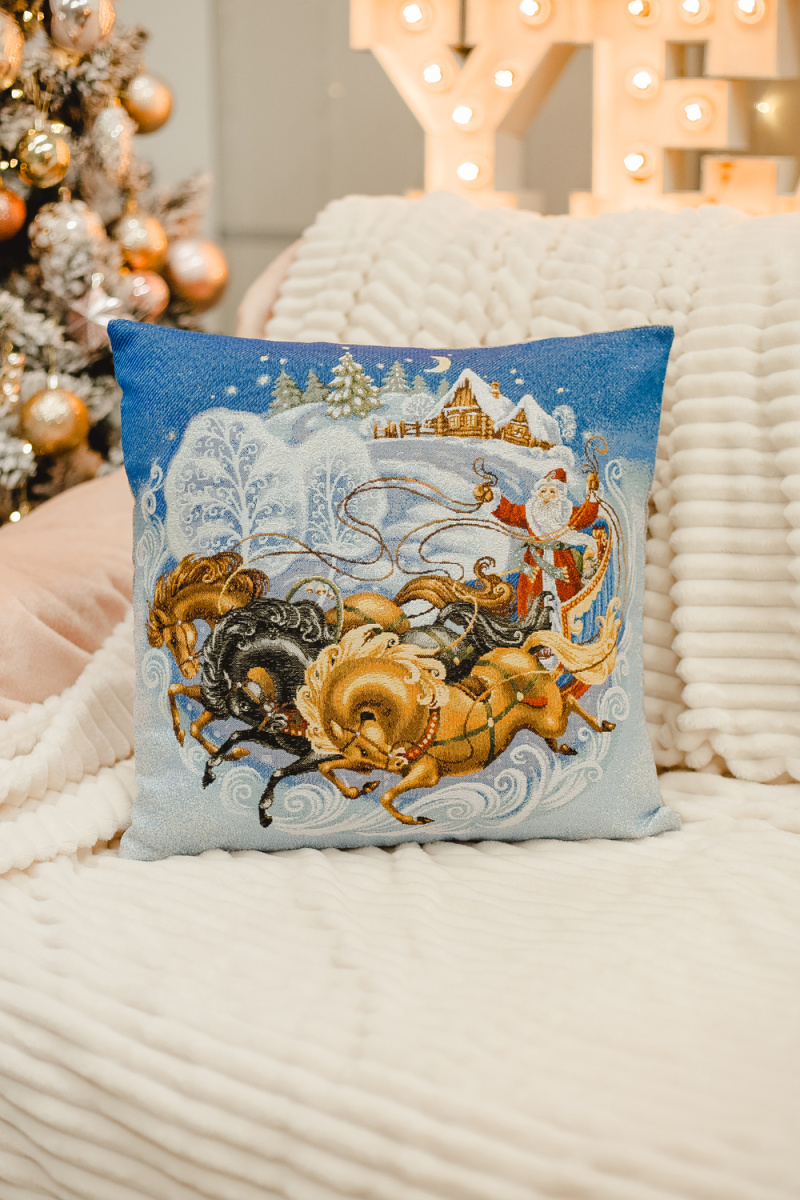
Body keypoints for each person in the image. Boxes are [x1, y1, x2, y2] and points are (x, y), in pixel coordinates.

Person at [476, 467, 600, 623]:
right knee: (531, 599)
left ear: (560, 495)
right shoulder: (531, 512)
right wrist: (490, 497)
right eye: (543, 491)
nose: (546, 495)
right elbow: (509, 512)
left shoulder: (566, 513)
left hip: (561, 561)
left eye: (552, 491)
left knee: (567, 596)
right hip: (534, 563)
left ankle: (565, 629)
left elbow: (586, 515)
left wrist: (593, 493)